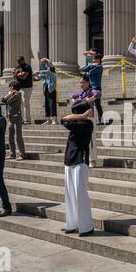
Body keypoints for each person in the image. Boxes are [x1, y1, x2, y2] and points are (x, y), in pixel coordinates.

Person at [61, 100, 95, 237]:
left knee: (81, 196)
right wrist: (81, 115)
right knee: (70, 196)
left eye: (75, 112)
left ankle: (86, 226)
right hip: (69, 160)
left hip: (80, 161)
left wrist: (82, 117)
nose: (72, 114)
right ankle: (73, 223)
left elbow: (64, 120)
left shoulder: (88, 124)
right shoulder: (80, 121)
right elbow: (63, 120)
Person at [71, 75, 102, 168]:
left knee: (91, 141)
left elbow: (98, 94)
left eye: (83, 82)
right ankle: (85, 158)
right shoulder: (81, 92)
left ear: (88, 83)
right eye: (80, 83)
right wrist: (75, 101)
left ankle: (93, 160)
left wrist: (89, 100)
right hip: (81, 119)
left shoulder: (91, 91)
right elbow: (73, 96)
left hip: (89, 119)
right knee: (83, 141)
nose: (81, 84)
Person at [2, 81, 26, 161]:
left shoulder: (18, 94)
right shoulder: (11, 94)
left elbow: (7, 101)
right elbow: (3, 100)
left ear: (13, 87)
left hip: (17, 117)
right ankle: (12, 153)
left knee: (18, 137)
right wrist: (8, 94)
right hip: (10, 118)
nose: (9, 88)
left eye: (10, 86)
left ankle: (22, 154)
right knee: (10, 137)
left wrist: (9, 95)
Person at [82, 54, 104, 125]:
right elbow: (85, 69)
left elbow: (90, 72)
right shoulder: (93, 66)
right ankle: (91, 119)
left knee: (97, 104)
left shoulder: (100, 67)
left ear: (98, 60)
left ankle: (101, 119)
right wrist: (92, 65)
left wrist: (92, 66)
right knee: (90, 105)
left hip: (96, 87)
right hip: (91, 87)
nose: (93, 60)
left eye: (94, 59)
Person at [13, 56, 33, 124]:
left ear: (23, 60)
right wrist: (18, 74)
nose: (18, 63)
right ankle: (20, 119)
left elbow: (24, 77)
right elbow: (14, 76)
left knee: (25, 103)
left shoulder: (27, 67)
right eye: (17, 61)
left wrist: (17, 74)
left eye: (19, 61)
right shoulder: (17, 67)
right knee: (19, 104)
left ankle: (27, 119)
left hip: (27, 87)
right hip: (19, 87)